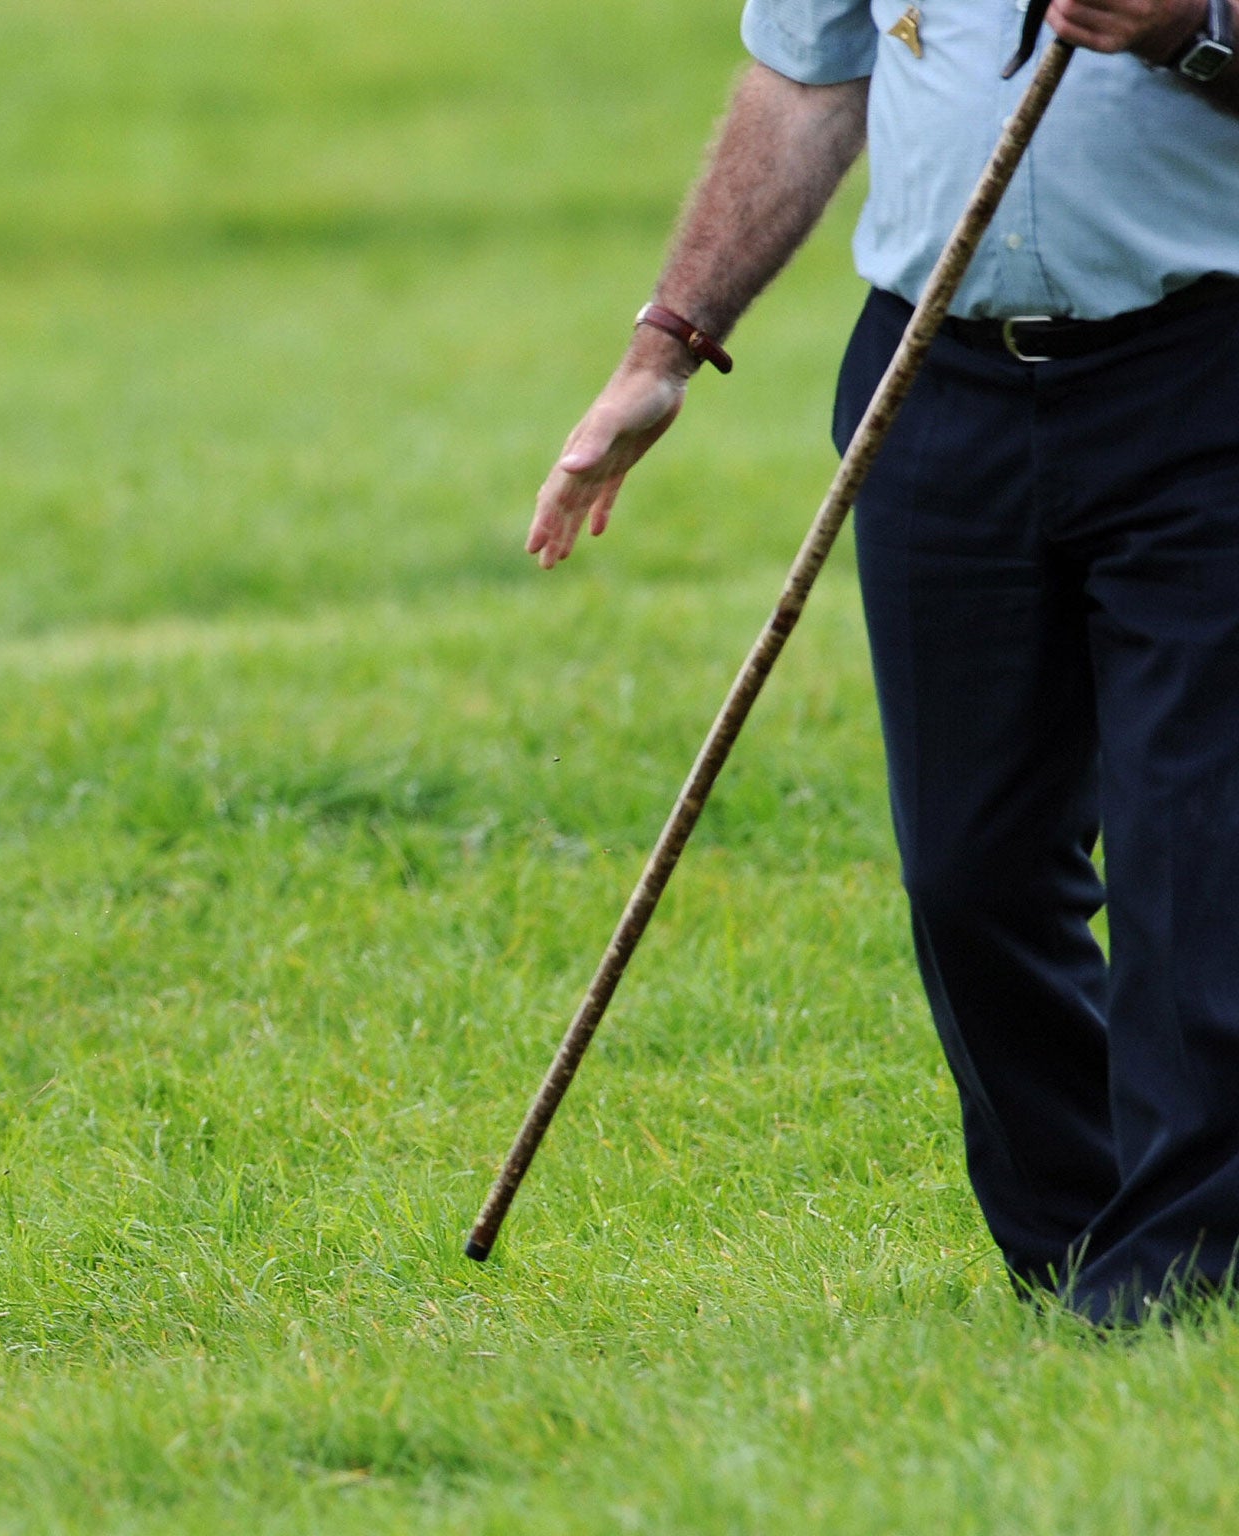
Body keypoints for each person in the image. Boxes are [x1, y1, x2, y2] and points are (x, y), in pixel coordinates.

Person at [527, 0, 1239, 1322]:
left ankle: (1172, 1281)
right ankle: (1075, 1252)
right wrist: (665, 346)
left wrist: (1192, 28)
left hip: (1204, 370)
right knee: (971, 873)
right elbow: (804, 85)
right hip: (933, 383)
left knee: (1192, 853)